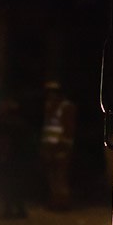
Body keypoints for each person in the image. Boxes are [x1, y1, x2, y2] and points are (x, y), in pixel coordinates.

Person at [40, 80, 76, 211]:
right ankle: (55, 202)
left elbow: (68, 129)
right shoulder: (50, 106)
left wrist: (64, 148)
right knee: (52, 177)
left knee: (61, 177)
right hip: (50, 146)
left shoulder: (67, 107)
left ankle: (63, 204)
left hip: (61, 147)